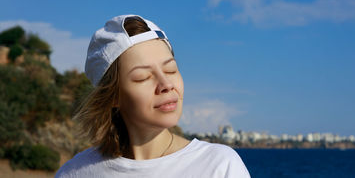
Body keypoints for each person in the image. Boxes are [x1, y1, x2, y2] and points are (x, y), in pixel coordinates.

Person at [55, 14, 250, 178]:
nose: (166, 85)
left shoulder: (219, 166)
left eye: (171, 69)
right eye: (143, 77)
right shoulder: (75, 173)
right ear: (113, 96)